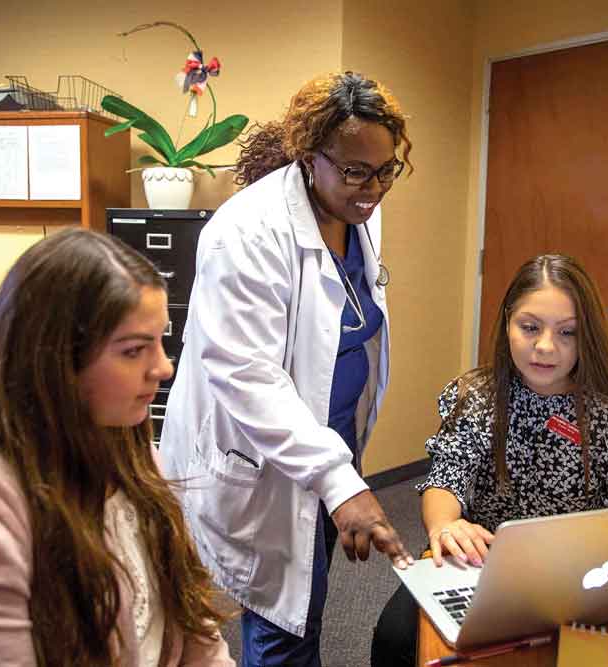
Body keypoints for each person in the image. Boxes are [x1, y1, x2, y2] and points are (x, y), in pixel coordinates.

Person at [0, 229, 233, 667]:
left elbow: (194, 630)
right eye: (135, 350)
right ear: (56, 359)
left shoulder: (123, 448)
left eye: (160, 342)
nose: (163, 366)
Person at [159, 71, 414, 666]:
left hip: (326, 446)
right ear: (308, 156)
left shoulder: (359, 210)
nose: (372, 189)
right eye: (355, 171)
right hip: (265, 459)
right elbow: (247, 375)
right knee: (283, 620)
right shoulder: (247, 232)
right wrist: (337, 479)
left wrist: (338, 469)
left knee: (310, 603)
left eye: (386, 170)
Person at [370, 254, 608, 666]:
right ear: (508, 324)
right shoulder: (477, 396)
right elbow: (448, 476)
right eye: (530, 327)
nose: (546, 347)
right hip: (479, 568)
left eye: (568, 333)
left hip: (578, 580)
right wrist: (446, 524)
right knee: (395, 636)